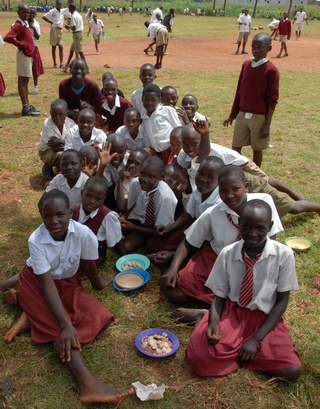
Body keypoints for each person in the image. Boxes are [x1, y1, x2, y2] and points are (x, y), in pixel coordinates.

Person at [5, 189, 134, 403]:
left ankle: (32, 318)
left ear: (71, 214)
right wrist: (65, 325)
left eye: (60, 215)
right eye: (47, 216)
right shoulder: (36, 239)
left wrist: (99, 284)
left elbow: (88, 264)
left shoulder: (84, 234)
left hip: (67, 285)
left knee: (100, 316)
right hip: (37, 285)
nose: (54, 221)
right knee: (60, 332)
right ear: (41, 216)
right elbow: (46, 286)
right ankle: (87, 385)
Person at [186, 199, 302, 382]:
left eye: (260, 228)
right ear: (239, 224)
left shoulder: (284, 254)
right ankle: (205, 318)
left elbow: (281, 302)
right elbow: (219, 295)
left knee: (291, 371)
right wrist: (214, 323)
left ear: (270, 227)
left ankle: (238, 346)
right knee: (199, 358)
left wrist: (256, 339)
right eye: (246, 226)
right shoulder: (228, 253)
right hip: (234, 313)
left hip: (265, 317)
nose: (252, 234)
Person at [161, 165, 283, 308]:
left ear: (246, 186)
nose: (229, 195)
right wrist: (173, 269)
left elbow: (272, 239)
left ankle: (207, 311)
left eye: (235, 189)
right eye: (223, 191)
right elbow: (189, 241)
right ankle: (213, 304)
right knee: (176, 295)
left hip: (253, 260)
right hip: (217, 259)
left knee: (252, 299)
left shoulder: (264, 203)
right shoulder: (213, 212)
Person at [224, 33, 279, 167]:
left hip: (258, 117)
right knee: (236, 147)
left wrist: (267, 124)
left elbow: (272, 99)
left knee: (257, 148)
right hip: (242, 114)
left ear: (269, 49)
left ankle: (257, 176)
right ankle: (236, 172)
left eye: (260, 47)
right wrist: (233, 114)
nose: (256, 50)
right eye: (253, 47)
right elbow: (239, 91)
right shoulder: (246, 64)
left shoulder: (272, 70)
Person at [119, 156, 177, 254]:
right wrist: (124, 217)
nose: (144, 179)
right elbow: (131, 205)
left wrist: (134, 228)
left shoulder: (165, 197)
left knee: (126, 247)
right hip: (137, 220)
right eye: (142, 174)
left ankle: (136, 238)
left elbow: (160, 231)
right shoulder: (135, 183)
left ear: (161, 177)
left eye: (151, 177)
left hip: (152, 229)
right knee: (112, 226)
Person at [72, 176, 124, 264]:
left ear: (103, 200)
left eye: (97, 199)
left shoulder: (107, 216)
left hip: (95, 253)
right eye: (88, 196)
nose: (91, 201)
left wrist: (124, 257)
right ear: (82, 193)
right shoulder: (74, 211)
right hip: (75, 248)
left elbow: (117, 237)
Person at [4, 3, 41, 116]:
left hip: (28, 54)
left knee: (25, 80)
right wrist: (21, 44)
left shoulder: (24, 23)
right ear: (18, 13)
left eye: (28, 12)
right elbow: (7, 37)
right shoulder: (18, 24)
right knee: (22, 80)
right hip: (24, 55)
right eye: (24, 12)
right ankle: (25, 108)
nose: (26, 14)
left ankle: (27, 104)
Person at [141, 84, 181, 164]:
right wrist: (149, 147)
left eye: (153, 100)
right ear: (142, 99)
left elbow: (178, 128)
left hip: (171, 150)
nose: (149, 103)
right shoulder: (144, 119)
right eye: (146, 100)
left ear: (159, 100)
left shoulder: (167, 111)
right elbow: (147, 137)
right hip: (157, 153)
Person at [37, 99, 76, 180]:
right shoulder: (48, 124)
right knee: (66, 155)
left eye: (61, 114)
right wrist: (69, 146)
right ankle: (48, 166)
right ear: (50, 113)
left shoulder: (71, 123)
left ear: (67, 113)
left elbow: (74, 140)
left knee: (70, 154)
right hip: (47, 151)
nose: (57, 117)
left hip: (62, 149)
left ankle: (60, 167)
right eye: (54, 114)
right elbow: (54, 147)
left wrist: (61, 142)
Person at [59, 59, 102, 123]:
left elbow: (99, 109)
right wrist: (70, 112)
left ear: (87, 71)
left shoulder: (93, 87)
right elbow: (62, 106)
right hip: (69, 120)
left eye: (82, 69)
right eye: (75, 68)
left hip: (88, 120)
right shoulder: (64, 85)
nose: (79, 71)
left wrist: (90, 107)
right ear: (70, 70)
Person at [115, 148, 149, 213]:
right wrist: (120, 181)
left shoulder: (148, 182)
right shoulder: (123, 182)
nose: (131, 165)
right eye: (130, 161)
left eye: (137, 164)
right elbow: (121, 207)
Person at [42, 0, 70, 68]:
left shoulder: (63, 11)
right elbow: (44, 17)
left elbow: (70, 6)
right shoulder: (53, 11)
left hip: (60, 30)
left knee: (61, 46)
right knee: (54, 46)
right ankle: (55, 63)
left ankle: (61, 63)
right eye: (58, 4)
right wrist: (51, 22)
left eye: (61, 4)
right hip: (54, 29)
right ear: (56, 4)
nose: (59, 5)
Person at [63, 3, 86, 72]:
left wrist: (68, 27)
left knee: (80, 51)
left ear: (71, 9)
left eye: (69, 8)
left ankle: (86, 68)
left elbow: (74, 27)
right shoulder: (79, 15)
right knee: (71, 50)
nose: (69, 10)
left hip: (76, 34)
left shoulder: (74, 16)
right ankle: (66, 66)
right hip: (79, 33)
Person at [28, 7, 44, 95]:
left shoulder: (36, 24)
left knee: (35, 67)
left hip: (34, 46)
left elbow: (38, 37)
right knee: (26, 67)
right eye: (30, 13)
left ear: (35, 15)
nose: (32, 15)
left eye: (33, 13)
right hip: (26, 46)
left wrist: (33, 28)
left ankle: (35, 86)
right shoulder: (24, 22)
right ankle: (25, 85)